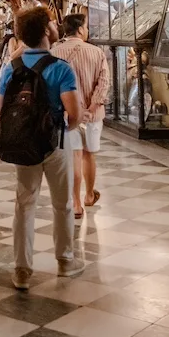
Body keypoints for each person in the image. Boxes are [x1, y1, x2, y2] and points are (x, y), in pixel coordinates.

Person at [0, 6, 84, 289]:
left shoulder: (11, 69)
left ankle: (22, 270)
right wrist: (58, 131)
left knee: (24, 205)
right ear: (47, 30)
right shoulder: (60, 68)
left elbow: (0, 113)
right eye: (52, 23)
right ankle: (65, 261)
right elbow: (74, 114)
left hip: (24, 145)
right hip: (55, 145)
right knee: (63, 204)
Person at [52, 13, 111, 219]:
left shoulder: (54, 52)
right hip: (92, 116)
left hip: (66, 116)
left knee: (74, 155)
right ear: (79, 29)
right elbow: (103, 83)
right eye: (86, 27)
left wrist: (70, 110)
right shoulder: (96, 52)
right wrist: (92, 107)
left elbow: (52, 85)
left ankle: (76, 203)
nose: (87, 31)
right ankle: (88, 195)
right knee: (89, 154)